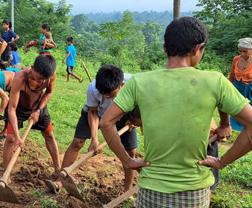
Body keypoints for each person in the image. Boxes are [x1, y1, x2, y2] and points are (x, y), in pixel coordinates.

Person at [100, 17, 252, 207]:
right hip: (194, 194)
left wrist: (127, 161)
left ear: (165, 48)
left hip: (151, 192)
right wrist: (222, 161)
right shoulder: (216, 81)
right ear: (198, 48)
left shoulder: (138, 82)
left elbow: (106, 122)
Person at [45, 65, 136, 193]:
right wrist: (94, 139)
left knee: (131, 152)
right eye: (103, 94)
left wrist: (135, 119)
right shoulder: (93, 88)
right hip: (97, 113)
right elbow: (92, 113)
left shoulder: (134, 85)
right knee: (77, 142)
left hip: (123, 115)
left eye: (110, 94)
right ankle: (60, 180)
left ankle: (127, 191)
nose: (107, 97)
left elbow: (143, 105)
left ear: (122, 85)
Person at [3, 55, 61, 181]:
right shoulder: (20, 79)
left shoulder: (50, 75)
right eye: (39, 78)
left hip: (38, 107)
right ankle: (5, 175)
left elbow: (49, 92)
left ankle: (58, 170)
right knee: (10, 138)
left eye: (44, 80)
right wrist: (18, 136)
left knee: (49, 135)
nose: (41, 82)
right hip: (18, 109)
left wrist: (39, 110)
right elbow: (11, 109)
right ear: (33, 68)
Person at [228, 37, 252, 131]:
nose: (242, 54)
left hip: (249, 89)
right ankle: (232, 126)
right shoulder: (236, 59)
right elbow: (232, 75)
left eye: (245, 51)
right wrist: (229, 87)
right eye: (240, 51)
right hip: (237, 87)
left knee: (248, 109)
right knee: (235, 107)